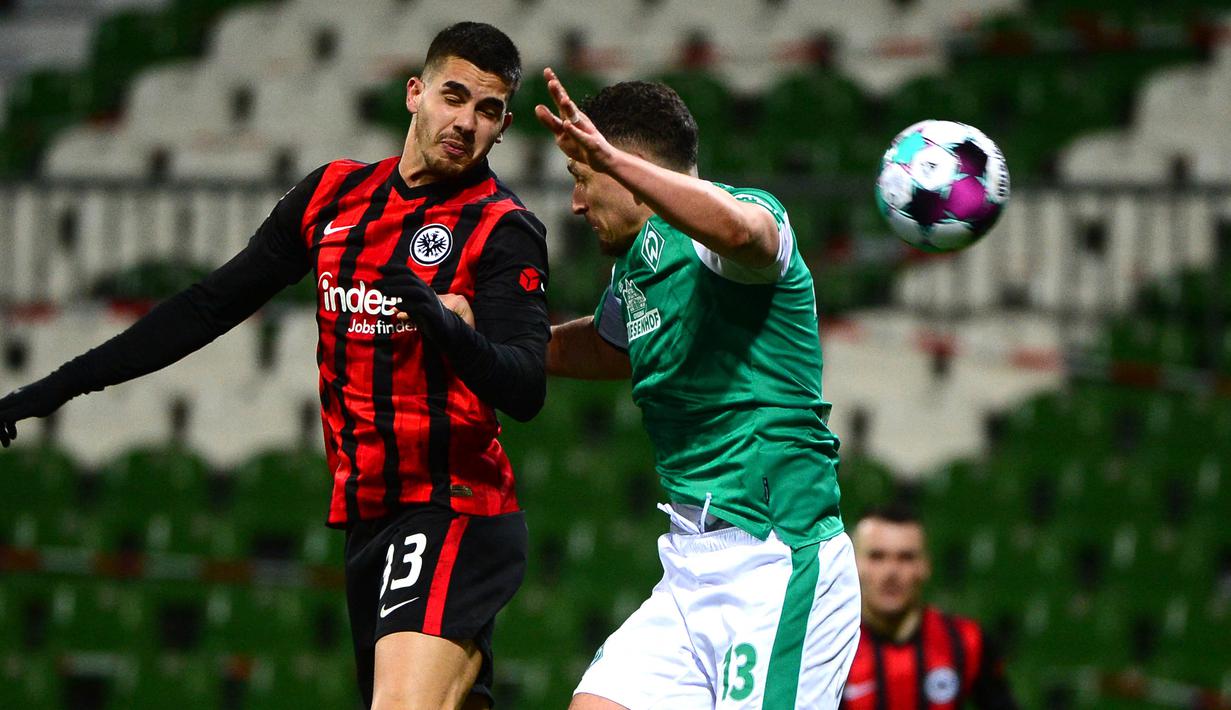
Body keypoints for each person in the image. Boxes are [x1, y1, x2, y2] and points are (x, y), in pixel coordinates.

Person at [0, 22, 549, 710]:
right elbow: (207, 306)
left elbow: (526, 388)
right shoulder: (333, 196)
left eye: (488, 110)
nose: (466, 122)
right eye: (454, 96)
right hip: (368, 516)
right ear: (415, 93)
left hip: (452, 509)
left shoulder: (503, 227)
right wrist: (54, 387)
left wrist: (442, 325)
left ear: (502, 128)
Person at [533, 70, 861, 708]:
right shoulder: (637, 263)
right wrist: (488, 341)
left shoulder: (733, 228)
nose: (576, 203)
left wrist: (611, 160)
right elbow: (608, 346)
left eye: (583, 176)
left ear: (627, 167)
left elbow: (745, 234)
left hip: (777, 563)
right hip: (690, 567)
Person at [844, 505, 1018, 710]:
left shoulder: (966, 642)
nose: (891, 572)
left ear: (925, 566)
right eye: (877, 556)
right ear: (853, 563)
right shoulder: (829, 646)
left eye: (906, 557)